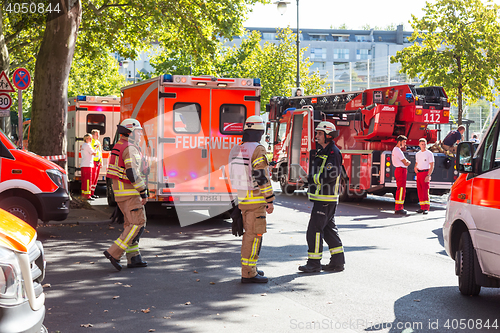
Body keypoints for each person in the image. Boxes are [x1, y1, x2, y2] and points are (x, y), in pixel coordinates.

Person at [228, 115, 275, 283]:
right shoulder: (258, 149)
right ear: (260, 132)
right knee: (254, 236)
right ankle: (249, 273)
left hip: (242, 199)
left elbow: (231, 176)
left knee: (249, 235)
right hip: (256, 201)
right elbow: (261, 177)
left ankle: (251, 268)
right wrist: (269, 199)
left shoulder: (236, 149)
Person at [298, 121, 345, 273]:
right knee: (329, 230)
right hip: (322, 197)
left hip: (325, 198)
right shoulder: (323, 151)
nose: (316, 136)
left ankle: (314, 263)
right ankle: (337, 262)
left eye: (319, 133)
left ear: (327, 135)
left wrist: (310, 179)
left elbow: (330, 175)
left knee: (314, 230)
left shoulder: (333, 152)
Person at [103, 119, 148, 271]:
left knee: (130, 224)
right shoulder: (130, 148)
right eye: (138, 132)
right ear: (130, 132)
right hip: (130, 193)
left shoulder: (119, 145)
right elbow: (132, 172)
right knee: (137, 224)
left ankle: (134, 257)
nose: (141, 134)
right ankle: (114, 253)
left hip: (121, 193)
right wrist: (143, 191)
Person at [414, 138, 434, 214]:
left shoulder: (429, 153)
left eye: (425, 144)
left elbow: (432, 165)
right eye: (422, 144)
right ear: (419, 145)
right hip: (419, 173)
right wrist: (415, 167)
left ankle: (426, 208)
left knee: (425, 191)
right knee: (420, 191)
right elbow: (417, 162)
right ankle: (421, 207)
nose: (423, 146)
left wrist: (429, 175)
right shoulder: (417, 154)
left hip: (425, 172)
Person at [392, 135, 411, 215]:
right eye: (404, 142)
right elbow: (405, 162)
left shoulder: (395, 150)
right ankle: (399, 208)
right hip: (401, 170)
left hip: (399, 170)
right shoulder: (398, 150)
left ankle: (399, 207)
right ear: (399, 142)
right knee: (401, 189)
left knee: (400, 189)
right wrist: (409, 162)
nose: (405, 144)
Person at [80, 133, 96, 201]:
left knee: (84, 181)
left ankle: (83, 194)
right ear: (86, 139)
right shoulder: (88, 145)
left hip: (83, 165)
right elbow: (94, 153)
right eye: (90, 138)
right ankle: (88, 196)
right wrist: (96, 148)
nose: (91, 139)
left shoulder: (84, 145)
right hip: (88, 165)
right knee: (88, 181)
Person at [90, 129, 102, 199]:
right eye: (96, 134)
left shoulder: (98, 142)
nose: (98, 136)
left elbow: (100, 152)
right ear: (93, 135)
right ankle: (90, 194)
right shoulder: (91, 142)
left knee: (96, 179)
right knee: (93, 178)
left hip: (98, 162)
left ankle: (93, 193)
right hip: (93, 162)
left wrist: (101, 161)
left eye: (98, 134)